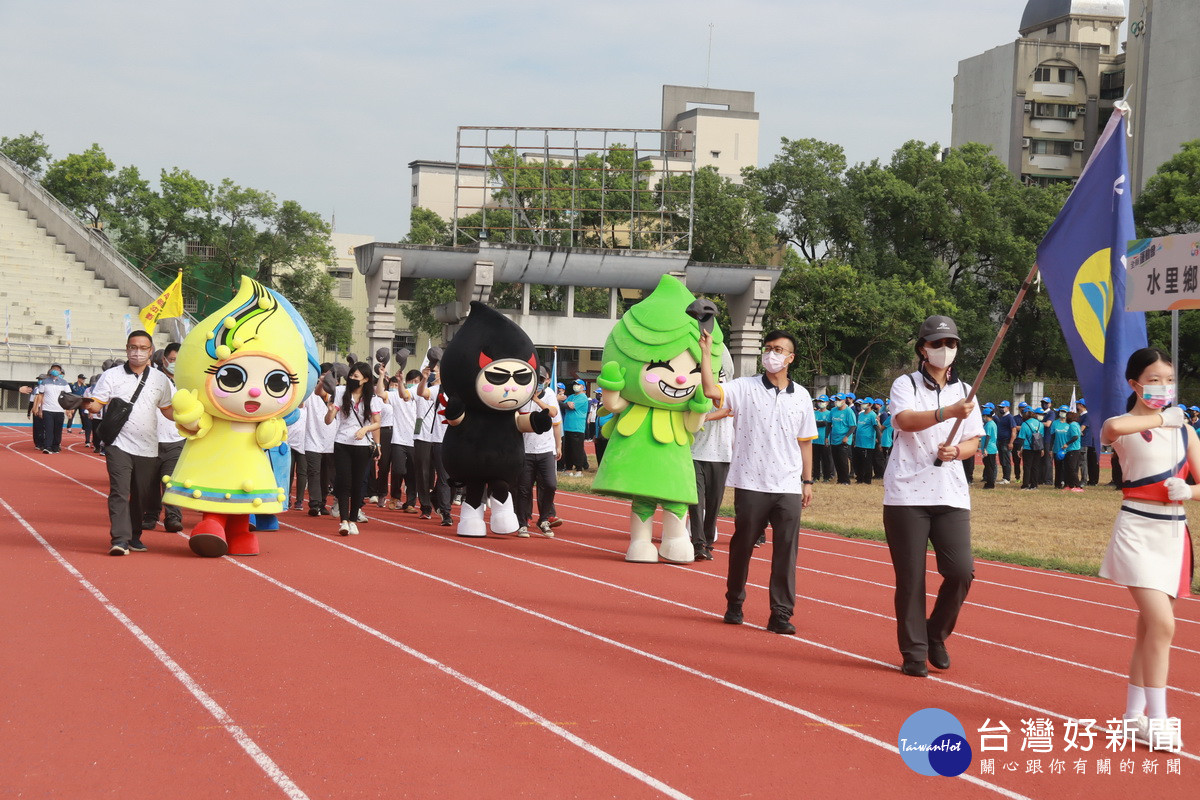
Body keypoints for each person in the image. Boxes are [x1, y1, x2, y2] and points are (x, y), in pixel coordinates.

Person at [1099, 347, 1193, 751]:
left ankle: (1131, 719)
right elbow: (1111, 431)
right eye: (1154, 380)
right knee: (1163, 625)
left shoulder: (1186, 431)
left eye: (1168, 380)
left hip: (1174, 536)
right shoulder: (1121, 424)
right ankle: (1158, 720)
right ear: (1134, 383)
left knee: (1150, 629)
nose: (1162, 387)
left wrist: (1189, 489)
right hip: (1137, 529)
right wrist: (1162, 417)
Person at [882, 315, 983, 677]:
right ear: (922, 348)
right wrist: (946, 413)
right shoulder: (905, 384)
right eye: (937, 344)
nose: (945, 350)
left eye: (951, 344)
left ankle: (935, 633)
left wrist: (958, 452)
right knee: (912, 578)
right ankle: (913, 651)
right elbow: (905, 421)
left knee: (960, 572)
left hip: (950, 493)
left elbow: (973, 440)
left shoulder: (967, 391)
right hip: (907, 493)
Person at [698, 329, 816, 636]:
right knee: (742, 546)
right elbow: (711, 390)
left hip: (788, 486)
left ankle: (780, 613)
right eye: (768, 348)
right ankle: (735, 602)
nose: (771, 354)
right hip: (751, 482)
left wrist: (807, 481)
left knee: (786, 552)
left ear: (790, 358)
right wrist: (707, 351)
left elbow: (805, 442)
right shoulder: (744, 387)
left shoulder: (802, 395)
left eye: (778, 349)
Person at [86, 330, 175, 556]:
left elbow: (167, 411)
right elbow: (97, 405)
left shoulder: (160, 379)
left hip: (147, 446)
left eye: (143, 348)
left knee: (141, 495)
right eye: (133, 347)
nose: (137, 352)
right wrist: (82, 402)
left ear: (151, 351)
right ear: (126, 349)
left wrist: (191, 418)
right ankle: (119, 539)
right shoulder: (112, 376)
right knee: (119, 491)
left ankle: (134, 536)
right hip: (118, 444)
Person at [324, 361, 381, 536]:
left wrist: (365, 430)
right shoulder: (341, 392)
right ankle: (343, 521)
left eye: (356, 376)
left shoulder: (373, 399)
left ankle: (353, 519)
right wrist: (331, 410)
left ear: (365, 379)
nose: (352, 379)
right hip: (342, 444)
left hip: (362, 446)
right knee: (343, 483)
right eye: (351, 376)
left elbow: (377, 423)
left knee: (357, 484)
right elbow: (328, 420)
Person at [689, 380, 734, 561]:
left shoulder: (731, 396)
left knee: (714, 504)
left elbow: (727, 411)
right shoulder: (697, 396)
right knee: (696, 502)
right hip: (696, 455)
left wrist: (705, 417)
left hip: (721, 457)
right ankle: (698, 544)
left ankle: (707, 542)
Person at [142, 344, 185, 533]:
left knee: (172, 481)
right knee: (150, 482)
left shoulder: (188, 382)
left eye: (179, 360)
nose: (176, 364)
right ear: (164, 359)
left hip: (176, 440)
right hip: (151, 439)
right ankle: (150, 515)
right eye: (173, 360)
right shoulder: (153, 379)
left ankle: (173, 517)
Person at [516, 367, 562, 537]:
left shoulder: (549, 394)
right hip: (526, 451)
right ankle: (522, 523)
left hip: (546, 450)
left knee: (550, 484)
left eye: (542, 381)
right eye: (538, 380)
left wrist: (559, 445)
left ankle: (543, 519)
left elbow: (554, 413)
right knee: (524, 489)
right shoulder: (521, 396)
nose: (540, 384)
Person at [304, 365, 337, 516]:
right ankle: (314, 504)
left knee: (326, 475)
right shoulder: (311, 394)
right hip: (312, 441)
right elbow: (301, 403)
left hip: (331, 443)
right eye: (324, 377)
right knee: (314, 472)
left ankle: (323, 502)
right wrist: (320, 382)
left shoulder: (338, 395)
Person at [33, 364, 70, 454]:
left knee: (57, 430)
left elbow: (68, 396)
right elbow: (41, 396)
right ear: (50, 370)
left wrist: (68, 409)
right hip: (47, 409)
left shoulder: (64, 383)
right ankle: (47, 447)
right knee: (49, 429)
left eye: (57, 369)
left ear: (60, 371)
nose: (55, 370)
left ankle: (56, 446)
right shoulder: (44, 382)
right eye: (54, 369)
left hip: (59, 410)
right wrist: (39, 409)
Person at [561, 379, 590, 476]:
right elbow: (564, 404)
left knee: (577, 449)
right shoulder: (572, 396)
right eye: (574, 384)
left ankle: (579, 470)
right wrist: (566, 403)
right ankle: (568, 469)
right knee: (568, 449)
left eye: (578, 384)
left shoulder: (583, 397)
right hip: (567, 426)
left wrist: (566, 403)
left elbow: (570, 406)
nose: (575, 386)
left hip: (577, 427)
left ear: (583, 387)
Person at [828, 393, 856, 485]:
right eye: (836, 400)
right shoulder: (833, 411)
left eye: (839, 400)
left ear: (844, 401)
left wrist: (846, 436)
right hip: (834, 439)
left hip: (843, 440)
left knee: (843, 461)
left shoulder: (849, 411)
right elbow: (828, 424)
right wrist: (826, 437)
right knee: (836, 460)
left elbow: (852, 426)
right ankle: (840, 479)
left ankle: (846, 480)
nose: (837, 402)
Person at [853, 396, 878, 484]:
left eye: (865, 403)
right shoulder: (861, 414)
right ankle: (859, 478)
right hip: (859, 442)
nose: (863, 405)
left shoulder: (872, 415)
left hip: (867, 443)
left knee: (867, 462)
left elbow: (876, 428)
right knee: (858, 461)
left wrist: (879, 441)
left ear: (870, 405)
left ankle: (867, 480)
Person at [1077, 398, 1099, 486]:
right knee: (1080, 461)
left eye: (1078, 404)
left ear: (1081, 405)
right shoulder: (1081, 416)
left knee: (1083, 462)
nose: (1077, 406)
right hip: (1080, 441)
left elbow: (1082, 428)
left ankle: (1084, 479)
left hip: (1084, 441)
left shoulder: (1087, 416)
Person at [812, 395, 833, 482]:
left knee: (826, 460)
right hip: (815, 439)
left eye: (823, 401)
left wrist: (819, 423)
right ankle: (816, 477)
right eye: (820, 401)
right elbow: (812, 423)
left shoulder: (829, 413)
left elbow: (826, 423)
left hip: (825, 439)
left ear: (827, 403)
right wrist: (821, 423)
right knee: (816, 460)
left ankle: (826, 477)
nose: (821, 403)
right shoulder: (815, 413)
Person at [995, 400, 1015, 485]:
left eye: (1002, 407)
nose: (1001, 409)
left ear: (1007, 408)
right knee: (1002, 460)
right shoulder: (1003, 417)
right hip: (1001, 441)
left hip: (1006, 441)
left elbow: (1013, 430)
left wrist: (1011, 442)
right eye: (1000, 407)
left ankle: (1007, 478)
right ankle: (1004, 477)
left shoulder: (1010, 417)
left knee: (1006, 460)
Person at [980, 405, 998, 489]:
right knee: (990, 466)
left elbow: (988, 436)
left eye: (984, 416)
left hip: (989, 448)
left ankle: (990, 484)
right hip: (992, 447)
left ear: (986, 416)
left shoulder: (989, 425)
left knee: (989, 467)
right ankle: (990, 482)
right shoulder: (993, 423)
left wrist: (985, 448)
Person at [874, 399, 892, 479]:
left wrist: (877, 421)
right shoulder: (891, 416)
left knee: (884, 460)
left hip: (887, 441)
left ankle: (884, 475)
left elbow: (881, 428)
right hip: (887, 441)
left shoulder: (890, 417)